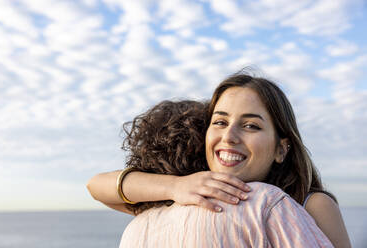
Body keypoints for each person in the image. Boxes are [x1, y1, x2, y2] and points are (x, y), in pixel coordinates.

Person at [87, 72, 351, 247]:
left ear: (281, 149)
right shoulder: (191, 197)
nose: (229, 136)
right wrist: (175, 186)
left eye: (251, 126)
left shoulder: (308, 203)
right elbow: (97, 186)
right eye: (220, 121)